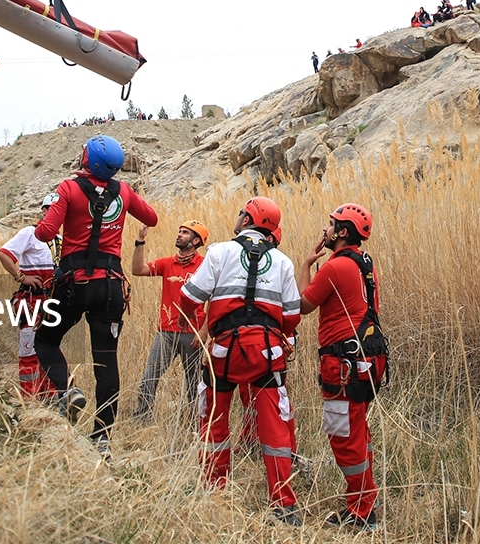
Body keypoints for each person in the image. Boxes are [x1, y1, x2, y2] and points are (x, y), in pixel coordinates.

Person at [179, 198, 302, 526]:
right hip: (267, 354)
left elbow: (188, 298)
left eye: (240, 213)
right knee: (274, 426)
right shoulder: (283, 261)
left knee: (214, 420)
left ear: (248, 218)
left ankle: (215, 490)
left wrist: (199, 320)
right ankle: (284, 504)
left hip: (223, 352)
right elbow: (291, 316)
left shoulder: (219, 252)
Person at [34, 134, 159, 451]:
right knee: (106, 361)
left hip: (74, 284)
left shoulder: (69, 189)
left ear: (87, 160)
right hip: (111, 287)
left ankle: (67, 390)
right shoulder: (125, 192)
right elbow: (152, 218)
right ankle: (102, 437)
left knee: (45, 340)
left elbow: (44, 232)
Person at [298, 203, 386, 530]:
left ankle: (362, 513)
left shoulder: (334, 268)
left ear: (342, 232)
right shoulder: (366, 265)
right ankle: (365, 500)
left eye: (331, 224)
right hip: (367, 358)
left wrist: (307, 262)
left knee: (343, 434)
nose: (326, 229)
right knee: (357, 430)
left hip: (344, 363)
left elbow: (303, 305)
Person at [130, 220, 209, 421]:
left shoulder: (204, 266)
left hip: (193, 333)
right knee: (150, 376)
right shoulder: (167, 263)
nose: (179, 235)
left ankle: (193, 423)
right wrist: (140, 240)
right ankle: (141, 418)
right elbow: (137, 270)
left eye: (185, 233)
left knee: (194, 382)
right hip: (165, 332)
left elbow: (216, 300)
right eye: (179, 231)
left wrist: (205, 331)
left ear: (196, 240)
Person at [0, 194, 60, 399]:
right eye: (51, 209)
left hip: (52, 303)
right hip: (31, 300)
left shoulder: (60, 240)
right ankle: (28, 399)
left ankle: (49, 397)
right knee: (29, 350)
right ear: (43, 211)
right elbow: (3, 253)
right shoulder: (30, 233)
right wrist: (21, 276)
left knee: (49, 350)